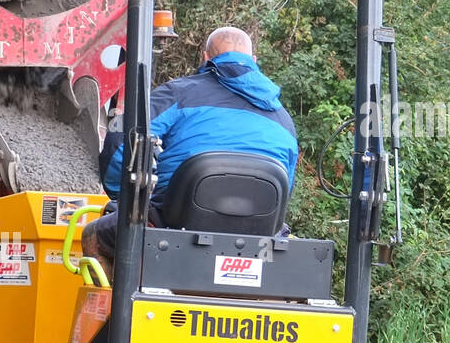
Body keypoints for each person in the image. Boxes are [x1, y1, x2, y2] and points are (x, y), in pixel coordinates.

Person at [83, 26, 298, 262]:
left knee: (94, 236)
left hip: (172, 225)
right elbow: (284, 189)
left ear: (206, 57)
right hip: (255, 238)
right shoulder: (283, 120)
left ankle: (126, 297)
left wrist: (118, 192)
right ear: (253, 60)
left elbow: (124, 142)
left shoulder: (178, 94)